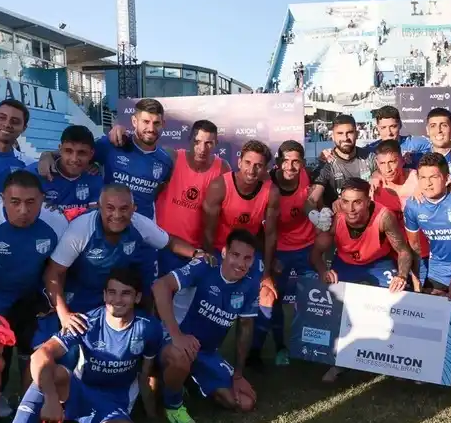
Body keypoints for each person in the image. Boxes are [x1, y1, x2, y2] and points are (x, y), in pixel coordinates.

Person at [0, 268, 162, 423]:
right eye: (112, 292)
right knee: (51, 372)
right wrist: (51, 399)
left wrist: (152, 413)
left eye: (125, 293)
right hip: (79, 392)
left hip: (113, 403)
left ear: (137, 297)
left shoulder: (149, 328)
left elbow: (147, 372)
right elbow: (41, 354)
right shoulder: (86, 321)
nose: (117, 299)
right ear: (104, 295)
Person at [39, 184, 208, 356]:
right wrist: (64, 314)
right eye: (110, 208)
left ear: (134, 209)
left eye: (124, 209)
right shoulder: (81, 229)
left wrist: (196, 252)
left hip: (117, 296)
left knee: (125, 348)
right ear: (99, 207)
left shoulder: (139, 223)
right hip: (81, 296)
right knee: (72, 354)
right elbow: (53, 272)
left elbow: (169, 242)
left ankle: (140, 375)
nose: (117, 215)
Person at [153, 229, 261, 423]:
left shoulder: (251, 285)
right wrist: (177, 335)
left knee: (243, 402)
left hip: (207, 352)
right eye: (235, 255)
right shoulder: (205, 265)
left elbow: (245, 329)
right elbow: (160, 286)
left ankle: (185, 380)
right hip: (176, 341)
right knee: (180, 356)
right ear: (224, 253)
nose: (240, 263)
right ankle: (173, 404)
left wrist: (238, 375)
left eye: (247, 258)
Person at [311, 178, 413, 382]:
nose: (351, 208)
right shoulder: (335, 218)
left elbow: (403, 251)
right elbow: (315, 253)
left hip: (378, 262)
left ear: (368, 201)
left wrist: (401, 276)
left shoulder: (383, 216)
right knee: (338, 308)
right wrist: (323, 270)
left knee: (397, 301)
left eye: (357, 202)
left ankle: (395, 360)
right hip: (346, 263)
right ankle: (339, 362)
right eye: (346, 201)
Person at [0, 171, 68, 395]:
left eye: (31, 202)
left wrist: (52, 299)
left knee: (34, 354)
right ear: (2, 198)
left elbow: (57, 267)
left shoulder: (57, 223)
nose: (23, 210)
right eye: (15, 202)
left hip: (29, 300)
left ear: (42, 199)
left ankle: (28, 406)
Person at [202, 139, 280, 367]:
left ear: (265, 168)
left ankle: (252, 353)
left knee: (267, 294)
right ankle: (205, 351)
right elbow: (208, 229)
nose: (251, 169)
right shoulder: (220, 185)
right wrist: (209, 259)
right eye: (247, 162)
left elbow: (271, 234)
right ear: (239, 161)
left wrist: (266, 272)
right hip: (220, 250)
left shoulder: (270, 191)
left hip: (248, 253)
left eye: (258, 165)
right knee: (216, 298)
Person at [38, 98, 173, 219]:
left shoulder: (165, 161)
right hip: (110, 222)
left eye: (156, 123)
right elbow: (78, 153)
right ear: (134, 121)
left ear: (163, 124)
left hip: (143, 226)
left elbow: (157, 192)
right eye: (146, 122)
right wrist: (48, 155)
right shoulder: (112, 144)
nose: (151, 128)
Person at [256, 140, 316, 366]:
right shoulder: (266, 183)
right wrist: (269, 257)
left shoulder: (308, 176)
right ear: (278, 162)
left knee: (312, 299)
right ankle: (280, 347)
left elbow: (313, 200)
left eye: (296, 162)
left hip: (307, 247)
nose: (291, 167)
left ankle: (310, 347)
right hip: (279, 250)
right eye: (286, 161)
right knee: (274, 299)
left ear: (302, 163)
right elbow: (258, 225)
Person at [155, 119, 230, 277]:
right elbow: (141, 155)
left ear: (216, 143)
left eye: (208, 143)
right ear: (189, 139)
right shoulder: (172, 158)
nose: (202, 149)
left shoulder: (222, 168)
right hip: (163, 244)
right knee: (158, 294)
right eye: (197, 141)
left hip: (196, 250)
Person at [403, 153, 451, 295]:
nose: (428, 183)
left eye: (434, 177)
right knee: (429, 309)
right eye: (423, 178)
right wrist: (416, 283)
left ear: (447, 178)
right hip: (438, 268)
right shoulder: (413, 206)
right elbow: (414, 247)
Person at [371, 139, 430, 287]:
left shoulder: (418, 179)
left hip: (423, 253)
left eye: (392, 161)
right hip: (392, 257)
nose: (388, 168)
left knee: (425, 297)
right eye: (382, 164)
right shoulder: (374, 187)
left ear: (402, 160)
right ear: (377, 164)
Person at [306, 114, 377, 230]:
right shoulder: (327, 163)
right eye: (340, 133)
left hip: (369, 224)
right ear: (332, 136)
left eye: (349, 132)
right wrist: (316, 218)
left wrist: (377, 175)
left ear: (357, 134)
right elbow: (311, 200)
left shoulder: (370, 158)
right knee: (322, 241)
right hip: (339, 226)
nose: (345, 138)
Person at [26, 125, 102, 213]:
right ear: (60, 150)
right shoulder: (34, 174)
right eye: (68, 151)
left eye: (82, 153)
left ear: (91, 154)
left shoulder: (95, 178)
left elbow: (93, 214)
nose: (74, 159)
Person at [0, 99, 31, 193]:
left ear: (24, 128)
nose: (7, 124)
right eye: (1, 117)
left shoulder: (27, 164)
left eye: (15, 121)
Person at [364, 105, 431, 168]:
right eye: (383, 127)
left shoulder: (416, 144)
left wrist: (415, 156)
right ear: (378, 128)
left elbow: (437, 150)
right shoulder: (371, 150)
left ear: (400, 125)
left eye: (393, 126)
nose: (389, 132)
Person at [425, 107, 451, 175]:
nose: (438, 130)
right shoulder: (418, 158)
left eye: (444, 125)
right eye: (433, 126)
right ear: (427, 130)